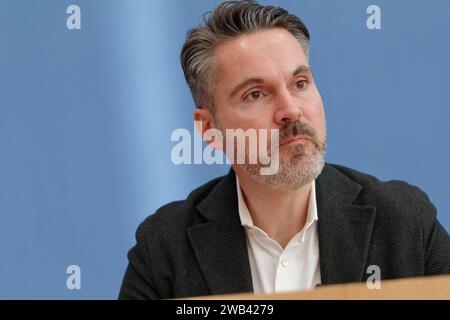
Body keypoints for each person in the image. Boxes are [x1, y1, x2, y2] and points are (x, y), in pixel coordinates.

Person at [119, 0, 450, 299]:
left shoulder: (405, 223)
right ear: (209, 129)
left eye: (300, 84)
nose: (290, 110)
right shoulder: (164, 249)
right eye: (256, 94)